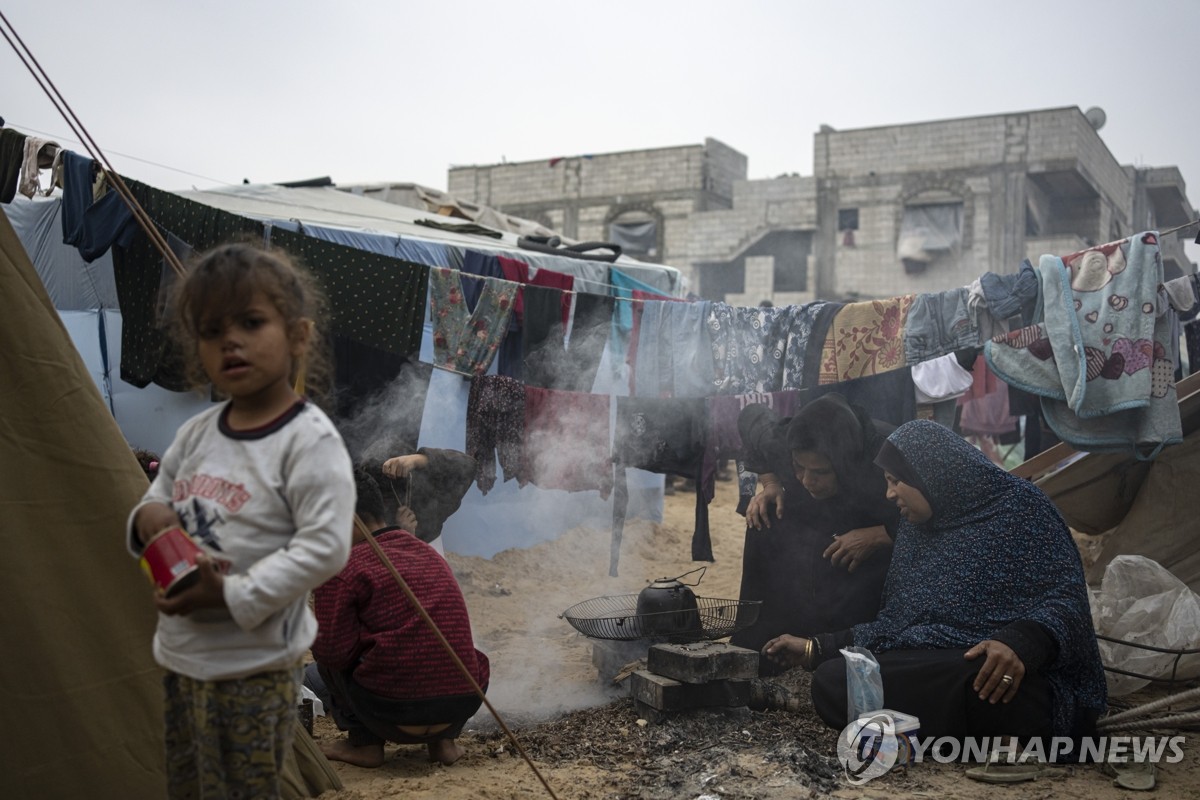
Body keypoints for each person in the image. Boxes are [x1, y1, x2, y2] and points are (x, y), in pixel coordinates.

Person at [126, 242, 355, 799]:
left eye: (251, 323)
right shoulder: (197, 434)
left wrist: (230, 595)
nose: (230, 340)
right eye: (210, 330)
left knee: (247, 787)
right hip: (182, 656)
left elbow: (325, 547)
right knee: (190, 783)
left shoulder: (308, 441)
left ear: (298, 336)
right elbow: (154, 501)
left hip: (257, 664)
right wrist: (147, 519)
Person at [763, 419, 1106, 745]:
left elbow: (1068, 602)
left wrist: (1020, 643)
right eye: (885, 481)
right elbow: (896, 625)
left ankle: (958, 728)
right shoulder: (916, 530)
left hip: (1004, 672)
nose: (888, 494)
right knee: (835, 680)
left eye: (897, 481)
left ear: (934, 474)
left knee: (985, 682)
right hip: (937, 667)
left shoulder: (1021, 510)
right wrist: (814, 648)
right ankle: (977, 734)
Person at [306, 469, 490, 767]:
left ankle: (365, 746)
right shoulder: (429, 554)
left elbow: (333, 653)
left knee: (327, 654)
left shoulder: (343, 568)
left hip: (392, 714)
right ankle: (443, 745)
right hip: (459, 706)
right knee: (446, 653)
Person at [730, 393, 900, 672]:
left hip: (872, 539)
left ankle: (835, 647)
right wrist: (771, 483)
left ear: (843, 462)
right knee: (765, 516)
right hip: (811, 520)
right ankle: (760, 642)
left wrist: (882, 534)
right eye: (799, 468)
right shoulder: (782, 441)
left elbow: (938, 511)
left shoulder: (887, 452)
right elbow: (750, 416)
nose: (808, 481)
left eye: (819, 471)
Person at [367, 442, 476, 545]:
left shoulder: (431, 499)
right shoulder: (370, 511)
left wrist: (420, 459)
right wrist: (403, 536)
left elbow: (468, 466)